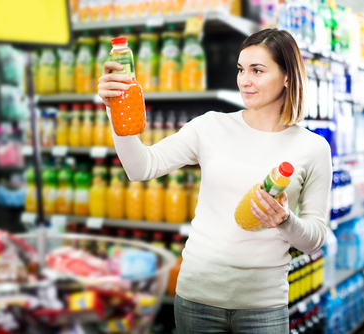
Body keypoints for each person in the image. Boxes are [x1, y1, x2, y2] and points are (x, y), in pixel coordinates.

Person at [98, 28, 332, 334]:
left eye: (257, 71)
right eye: (241, 70)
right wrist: (115, 107)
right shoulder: (210, 126)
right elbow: (140, 168)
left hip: (264, 307)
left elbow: (315, 239)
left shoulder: (313, 148)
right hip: (197, 298)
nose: (244, 81)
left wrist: (285, 220)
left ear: (287, 77)